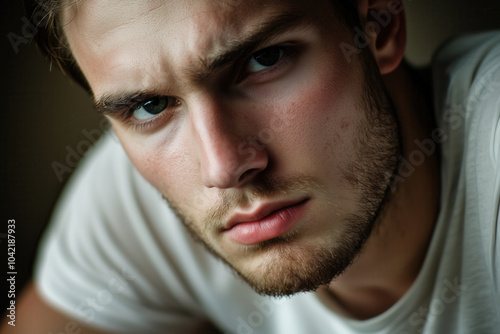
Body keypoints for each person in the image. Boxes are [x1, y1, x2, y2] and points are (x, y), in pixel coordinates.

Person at [3, 0, 499, 333]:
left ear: (380, 24)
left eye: (265, 59)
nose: (222, 168)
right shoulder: (132, 195)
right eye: (150, 107)